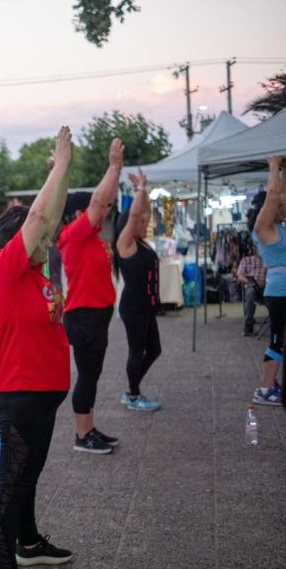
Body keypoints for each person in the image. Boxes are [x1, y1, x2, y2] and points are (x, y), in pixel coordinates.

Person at [0, 127, 75, 569]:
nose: (49, 240)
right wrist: (61, 164)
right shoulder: (5, 269)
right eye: (41, 238)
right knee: (11, 486)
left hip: (45, 391)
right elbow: (38, 217)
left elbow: (47, 218)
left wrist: (62, 175)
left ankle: (30, 543)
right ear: (20, 240)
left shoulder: (35, 272)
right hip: (20, 393)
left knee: (30, 475)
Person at [57, 138, 124, 451]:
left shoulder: (93, 238)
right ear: (77, 215)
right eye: (91, 210)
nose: (102, 212)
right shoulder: (73, 235)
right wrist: (113, 167)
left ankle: (89, 429)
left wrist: (119, 179)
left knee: (92, 375)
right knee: (86, 376)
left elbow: (103, 202)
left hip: (97, 314)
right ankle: (82, 436)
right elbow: (99, 203)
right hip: (84, 315)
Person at [116, 169, 162, 411]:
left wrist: (144, 188)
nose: (145, 223)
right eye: (140, 223)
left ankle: (132, 388)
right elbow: (135, 215)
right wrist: (140, 190)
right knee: (137, 351)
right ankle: (133, 396)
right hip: (134, 309)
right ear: (130, 226)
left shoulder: (142, 243)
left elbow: (143, 212)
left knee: (154, 350)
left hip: (146, 308)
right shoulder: (125, 244)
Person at [251, 158, 286, 406]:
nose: (281, 207)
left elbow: (280, 195)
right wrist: (274, 166)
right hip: (279, 291)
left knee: (281, 339)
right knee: (276, 339)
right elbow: (273, 196)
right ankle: (265, 389)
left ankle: (272, 385)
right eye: (278, 207)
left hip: (281, 291)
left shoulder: (279, 227)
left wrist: (284, 170)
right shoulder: (264, 229)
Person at [236, 243, 265, 338]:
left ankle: (278, 325)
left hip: (267, 287)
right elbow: (240, 276)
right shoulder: (246, 260)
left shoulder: (269, 261)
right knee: (251, 291)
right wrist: (252, 282)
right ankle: (248, 327)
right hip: (252, 286)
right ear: (255, 248)